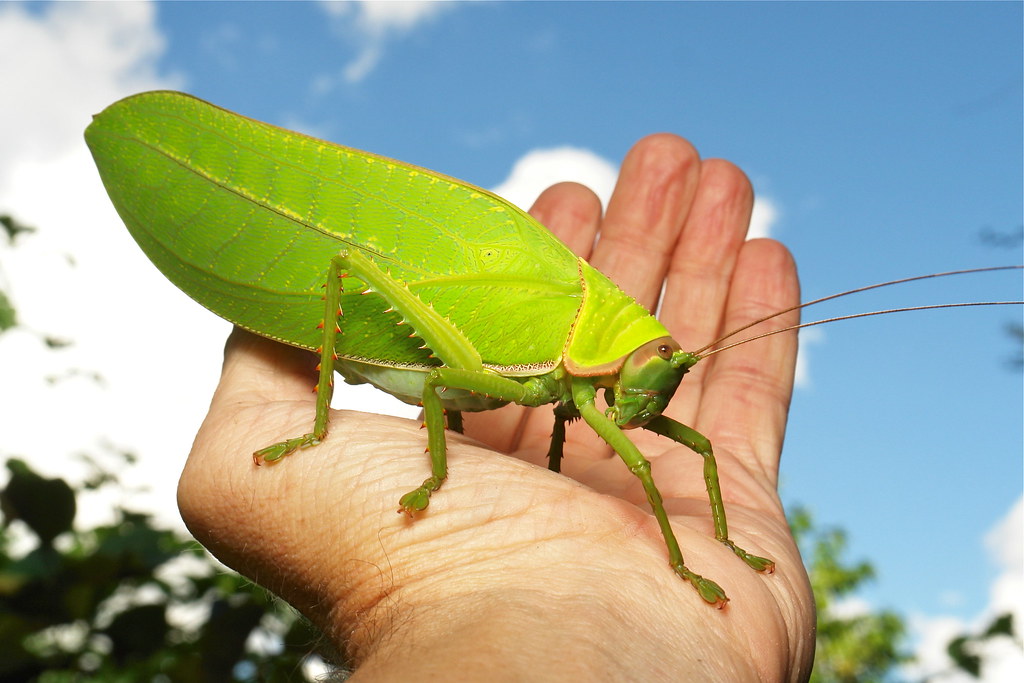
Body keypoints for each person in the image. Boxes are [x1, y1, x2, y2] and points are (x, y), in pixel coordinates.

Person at [177, 133, 816, 680]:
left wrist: (724, 552)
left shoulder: (600, 365)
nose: (654, 390)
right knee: (350, 264)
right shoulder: (581, 335)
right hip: (420, 334)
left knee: (700, 446)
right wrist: (434, 481)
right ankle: (317, 431)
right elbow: (441, 386)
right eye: (653, 365)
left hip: (494, 362)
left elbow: (591, 413)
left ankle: (719, 543)